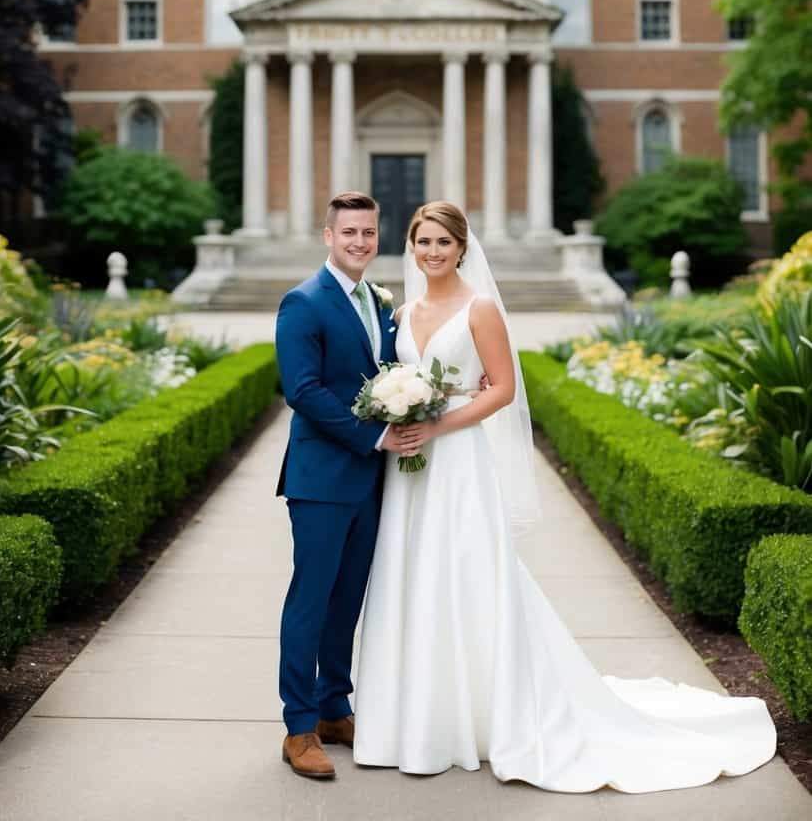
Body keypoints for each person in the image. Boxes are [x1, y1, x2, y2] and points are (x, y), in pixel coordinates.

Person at [352, 200, 777, 792]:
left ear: (462, 249)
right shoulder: (403, 312)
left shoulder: (480, 309)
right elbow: (391, 381)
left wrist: (438, 425)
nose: (431, 252)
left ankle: (487, 716)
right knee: (410, 573)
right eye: (423, 242)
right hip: (410, 469)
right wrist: (396, 414)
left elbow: (501, 390)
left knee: (467, 571)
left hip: (458, 463)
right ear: (412, 247)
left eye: (443, 243)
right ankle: (416, 718)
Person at [275, 191, 404, 780]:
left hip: (370, 483)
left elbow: (393, 371)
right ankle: (298, 728)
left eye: (369, 233)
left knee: (347, 600)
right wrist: (373, 439)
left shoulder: (376, 302)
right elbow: (301, 390)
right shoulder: (303, 302)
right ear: (328, 236)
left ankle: (333, 708)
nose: (360, 242)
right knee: (311, 600)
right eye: (349, 232)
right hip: (322, 478)